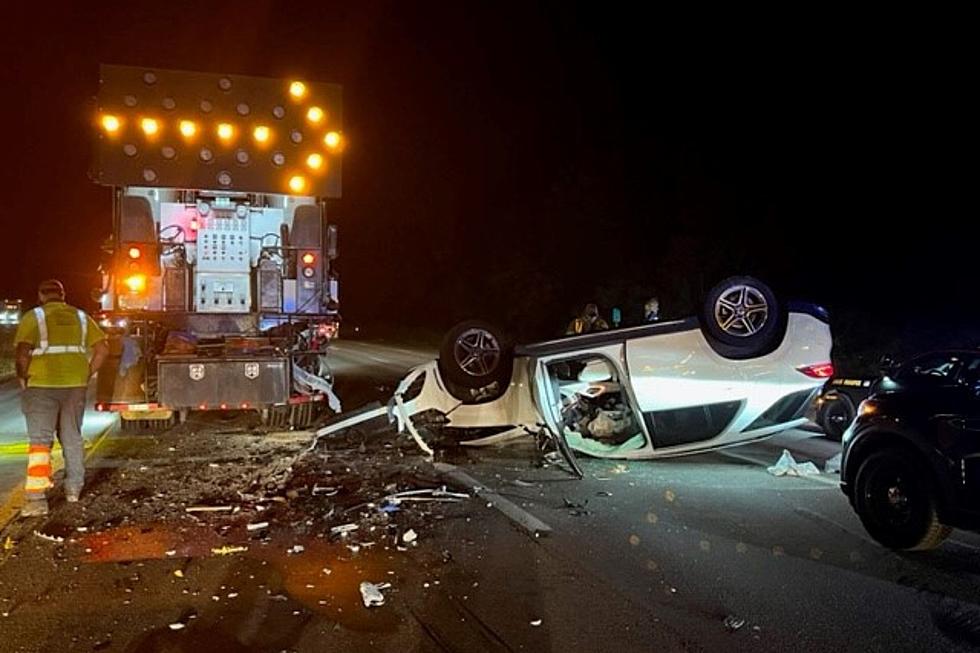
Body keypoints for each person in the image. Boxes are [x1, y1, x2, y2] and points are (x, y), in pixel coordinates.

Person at [14, 279, 108, 517]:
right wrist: (87, 373)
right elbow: (103, 349)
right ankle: (74, 489)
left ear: (41, 295)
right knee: (72, 436)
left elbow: (23, 351)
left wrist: (23, 377)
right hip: (74, 384)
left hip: (41, 384)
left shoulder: (33, 317)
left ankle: (37, 500)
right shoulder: (81, 317)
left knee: (40, 442)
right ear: (63, 294)